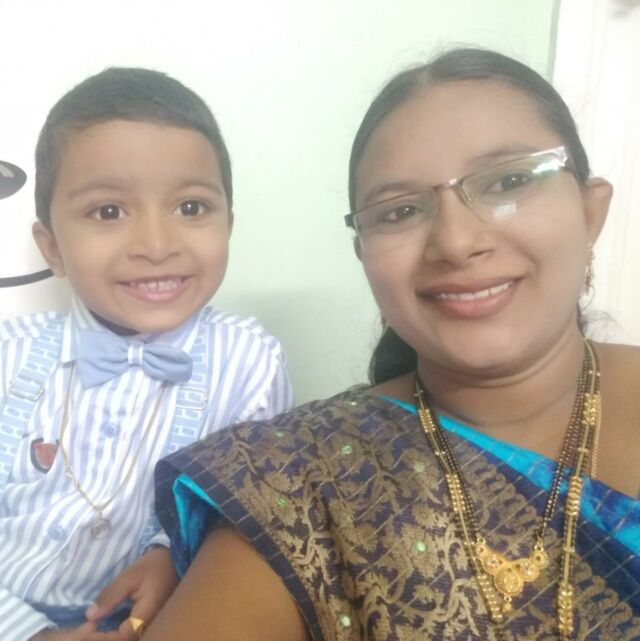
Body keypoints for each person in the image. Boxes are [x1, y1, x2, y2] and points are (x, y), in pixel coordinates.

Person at [147, 48, 640, 640]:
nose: (456, 242)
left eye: (508, 181)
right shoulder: (305, 479)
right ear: (365, 258)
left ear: (591, 211)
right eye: (401, 210)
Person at [0, 68, 294, 641]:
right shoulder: (9, 355)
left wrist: (170, 553)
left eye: (191, 207)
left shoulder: (250, 362)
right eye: (109, 212)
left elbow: (250, 513)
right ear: (52, 247)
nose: (157, 246)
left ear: (229, 225)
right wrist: (29, 632)